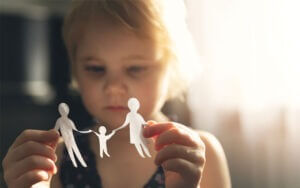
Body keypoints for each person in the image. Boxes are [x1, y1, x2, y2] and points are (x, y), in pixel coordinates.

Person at [2, 0, 231, 187]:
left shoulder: (198, 154)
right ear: (75, 70)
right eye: (95, 68)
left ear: (171, 68)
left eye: (135, 69)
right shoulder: (58, 158)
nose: (112, 87)